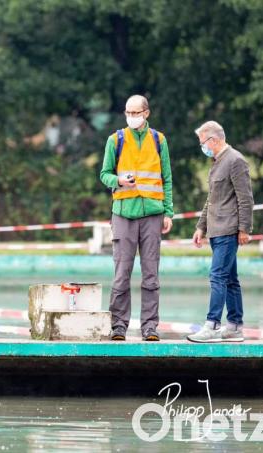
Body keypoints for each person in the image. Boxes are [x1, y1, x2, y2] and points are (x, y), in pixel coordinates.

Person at [99, 95, 174, 341]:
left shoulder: (159, 140)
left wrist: (168, 212)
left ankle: (150, 327)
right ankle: (118, 325)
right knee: (122, 273)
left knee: (151, 274)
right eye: (128, 113)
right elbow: (104, 174)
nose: (131, 117)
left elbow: (167, 178)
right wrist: (117, 180)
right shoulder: (115, 140)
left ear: (146, 113)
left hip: (153, 214)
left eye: (136, 112)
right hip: (123, 213)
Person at [187, 121, 254, 343]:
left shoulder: (235, 160)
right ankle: (234, 326)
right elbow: (212, 199)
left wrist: (244, 228)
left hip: (228, 229)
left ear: (213, 140)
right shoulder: (217, 162)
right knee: (231, 279)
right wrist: (200, 226)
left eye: (202, 142)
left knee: (217, 276)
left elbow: (245, 199)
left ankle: (212, 325)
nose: (202, 147)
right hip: (215, 230)